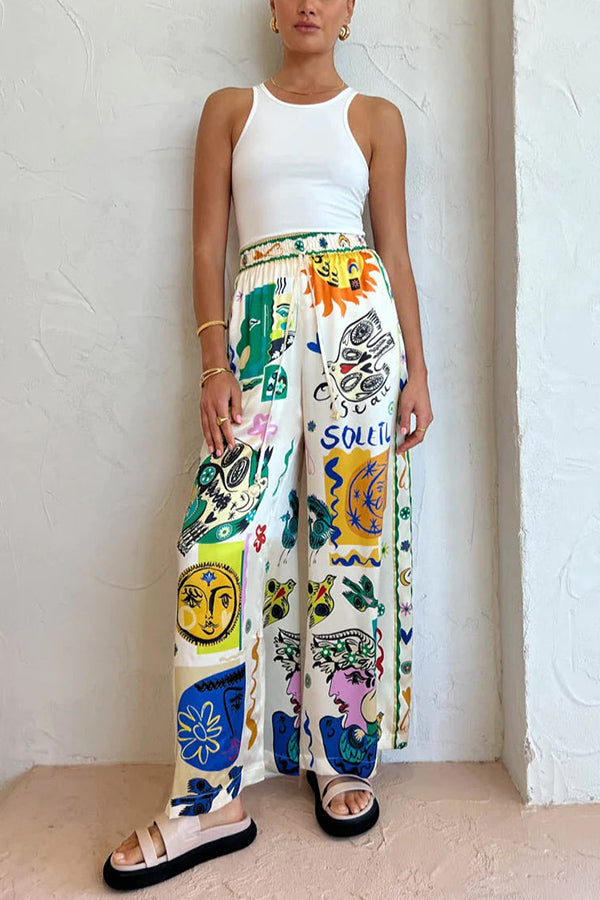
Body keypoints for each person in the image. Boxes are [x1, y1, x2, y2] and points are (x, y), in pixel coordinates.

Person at [103, 0, 432, 890]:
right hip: (257, 336)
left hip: (359, 336)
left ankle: (341, 753)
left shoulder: (375, 117)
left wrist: (418, 372)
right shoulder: (230, 110)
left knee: (348, 545)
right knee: (214, 545)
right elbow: (206, 247)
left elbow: (395, 252)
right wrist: (213, 361)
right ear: (274, 9)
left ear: (349, 12)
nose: (310, 3)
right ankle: (208, 798)